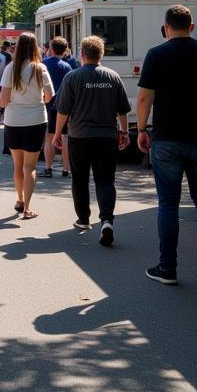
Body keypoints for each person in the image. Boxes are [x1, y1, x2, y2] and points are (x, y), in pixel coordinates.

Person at [137, 4, 197, 285]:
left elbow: (144, 99)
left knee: (168, 204)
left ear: (166, 28)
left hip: (166, 139)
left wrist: (142, 129)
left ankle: (167, 268)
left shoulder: (156, 54)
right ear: (192, 27)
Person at [53, 36, 130, 246]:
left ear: (82, 54)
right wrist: (124, 132)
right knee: (105, 180)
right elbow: (122, 109)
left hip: (79, 136)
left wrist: (58, 133)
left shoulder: (72, 77)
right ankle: (106, 220)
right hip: (106, 137)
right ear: (101, 55)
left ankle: (84, 219)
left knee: (80, 179)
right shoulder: (113, 77)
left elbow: (63, 110)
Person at [0, 32, 55, 219]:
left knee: (17, 164)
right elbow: (49, 96)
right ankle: (28, 208)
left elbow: (4, 100)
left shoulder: (10, 69)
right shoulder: (40, 68)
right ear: (35, 47)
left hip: (13, 120)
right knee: (30, 167)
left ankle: (20, 199)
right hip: (36, 120)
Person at [42, 37, 73, 178]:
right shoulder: (68, 66)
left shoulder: (44, 64)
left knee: (49, 137)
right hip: (64, 105)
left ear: (52, 49)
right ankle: (66, 169)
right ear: (65, 49)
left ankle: (48, 168)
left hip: (47, 104)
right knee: (66, 136)